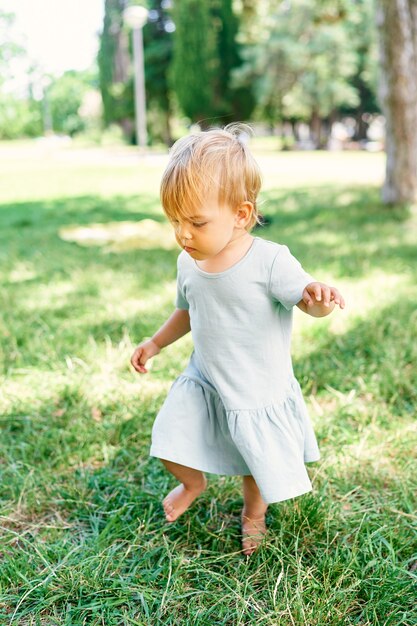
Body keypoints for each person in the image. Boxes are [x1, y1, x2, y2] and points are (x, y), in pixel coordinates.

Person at [131, 124, 345, 556]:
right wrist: (155, 343)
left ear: (241, 215)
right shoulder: (189, 262)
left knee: (255, 461)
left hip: (256, 384)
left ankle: (253, 515)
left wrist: (319, 299)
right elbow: (187, 312)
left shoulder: (269, 261)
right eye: (175, 221)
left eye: (196, 222)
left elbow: (308, 304)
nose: (184, 234)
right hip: (205, 376)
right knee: (169, 435)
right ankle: (193, 483)